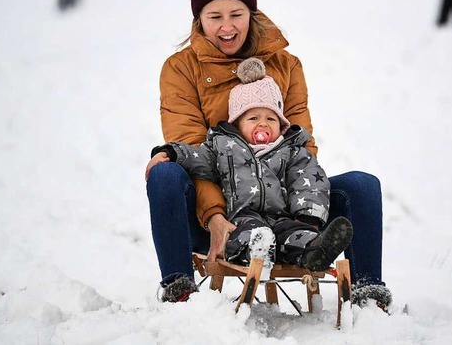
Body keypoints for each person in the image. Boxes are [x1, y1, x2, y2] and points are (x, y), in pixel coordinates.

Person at [145, 0, 391, 309]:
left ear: (252, 12)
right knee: (166, 174)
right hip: (219, 209)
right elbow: (193, 150)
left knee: (362, 186)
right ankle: (179, 289)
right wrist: (215, 216)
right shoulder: (180, 69)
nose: (227, 27)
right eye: (214, 16)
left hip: (284, 207)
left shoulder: (286, 65)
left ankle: (368, 295)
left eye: (236, 14)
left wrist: (303, 212)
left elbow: (301, 146)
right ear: (199, 18)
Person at [147, 57, 354, 303]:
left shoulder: (292, 151)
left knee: (298, 235)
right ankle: (258, 251)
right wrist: (170, 152)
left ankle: (315, 250)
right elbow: (196, 157)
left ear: (281, 124)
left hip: (284, 219)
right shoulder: (224, 148)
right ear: (237, 123)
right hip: (242, 219)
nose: (263, 124)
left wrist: (307, 217)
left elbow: (310, 180)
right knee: (250, 235)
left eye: (270, 118)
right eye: (253, 118)